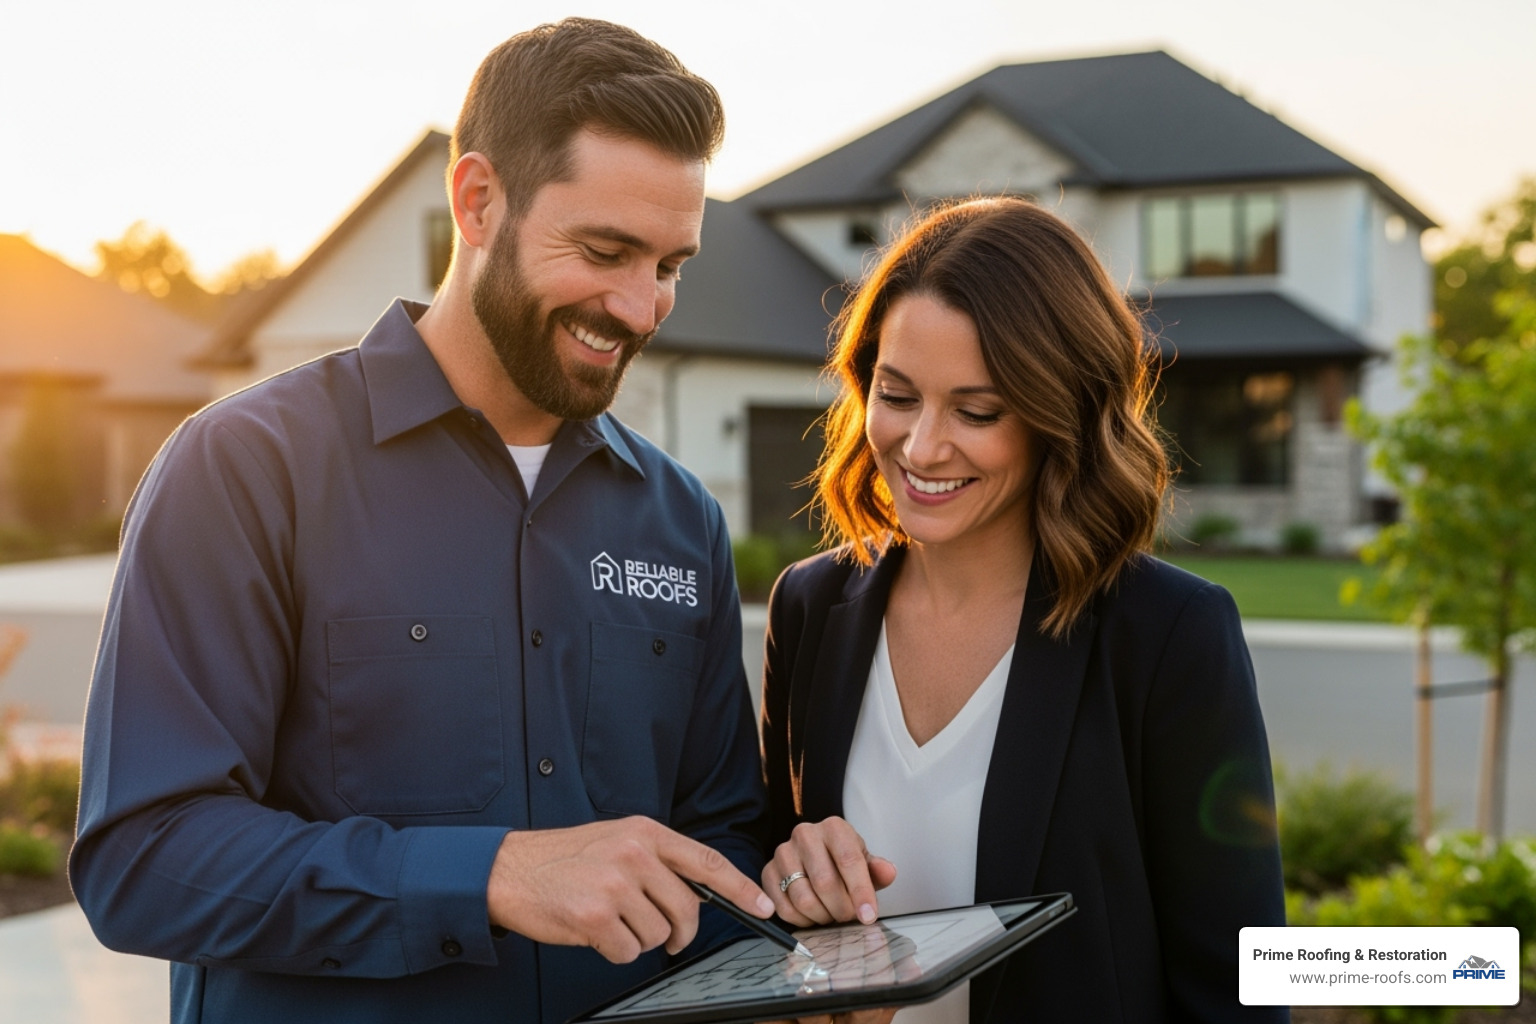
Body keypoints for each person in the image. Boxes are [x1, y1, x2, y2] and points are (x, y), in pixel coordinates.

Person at [70, 19, 772, 1024]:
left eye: (669, 264)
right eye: (606, 251)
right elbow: (147, 859)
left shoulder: (679, 518)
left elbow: (717, 846)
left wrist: (802, 932)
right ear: (478, 201)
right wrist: (487, 874)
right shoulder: (244, 469)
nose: (641, 306)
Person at [758, 197, 1289, 1023]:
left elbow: (1240, 984)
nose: (923, 447)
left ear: (1061, 413)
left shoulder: (1167, 635)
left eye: (977, 411)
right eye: (897, 396)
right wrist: (791, 887)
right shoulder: (809, 605)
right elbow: (774, 925)